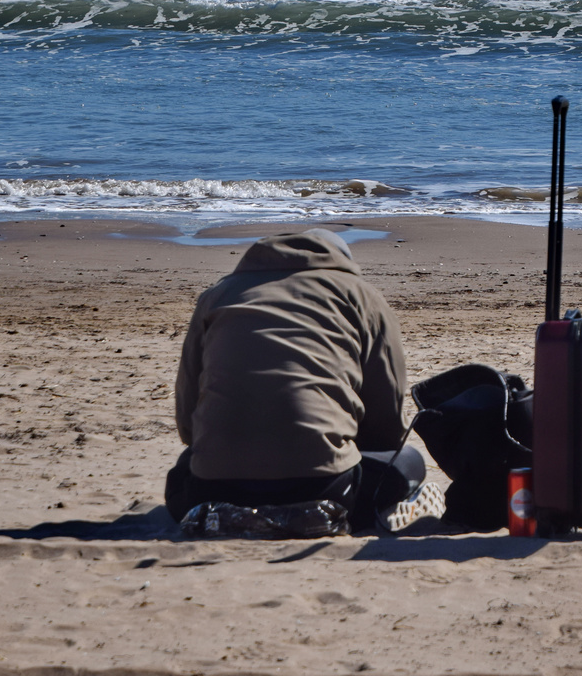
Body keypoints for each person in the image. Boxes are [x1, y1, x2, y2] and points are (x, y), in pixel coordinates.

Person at [167, 229, 443, 534]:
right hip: (324, 485)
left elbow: (188, 422)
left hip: (213, 487)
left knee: (185, 467)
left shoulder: (217, 295)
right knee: (409, 461)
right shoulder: (361, 295)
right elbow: (387, 425)